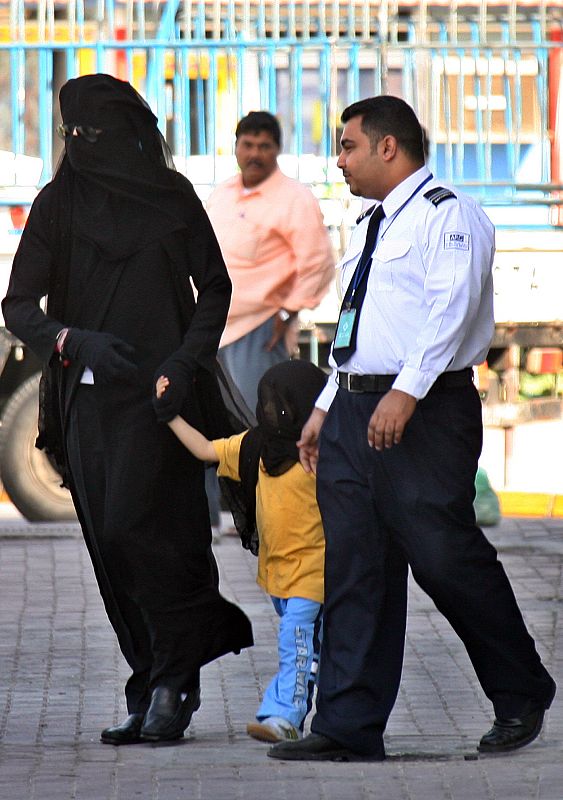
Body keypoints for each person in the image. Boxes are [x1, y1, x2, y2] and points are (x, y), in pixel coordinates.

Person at [269, 96, 556, 762]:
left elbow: (447, 311)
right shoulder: (370, 223)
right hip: (352, 410)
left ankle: (520, 690)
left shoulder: (446, 214)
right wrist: (322, 409)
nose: (338, 160)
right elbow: (358, 328)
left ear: (387, 147)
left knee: (442, 557)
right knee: (354, 568)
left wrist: (404, 392)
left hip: (422, 412)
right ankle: (346, 725)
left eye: (347, 146)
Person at [1, 73, 253, 746]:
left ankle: (175, 678)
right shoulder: (58, 204)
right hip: (86, 399)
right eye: (71, 133)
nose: (81, 144)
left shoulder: (172, 198)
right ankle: (149, 677)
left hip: (163, 401)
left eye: (93, 133)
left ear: (128, 135)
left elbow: (216, 289)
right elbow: (18, 305)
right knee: (109, 543)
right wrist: (70, 339)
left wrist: (182, 361)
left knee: (149, 532)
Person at [156, 359, 327, 742]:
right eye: (267, 404)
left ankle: (284, 718)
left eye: (282, 405)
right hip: (277, 577)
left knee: (296, 644)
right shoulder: (255, 446)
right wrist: (170, 415)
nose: (272, 412)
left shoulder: (319, 455)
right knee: (311, 648)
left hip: (314, 576)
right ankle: (321, 712)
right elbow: (204, 450)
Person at [206, 110, 334, 411]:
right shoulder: (223, 193)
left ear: (277, 149)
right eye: (248, 145)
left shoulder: (294, 198)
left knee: (254, 420)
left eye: (264, 146)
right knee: (220, 426)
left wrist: (288, 311)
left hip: (260, 329)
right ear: (236, 146)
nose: (255, 154)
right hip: (212, 325)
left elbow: (319, 263)